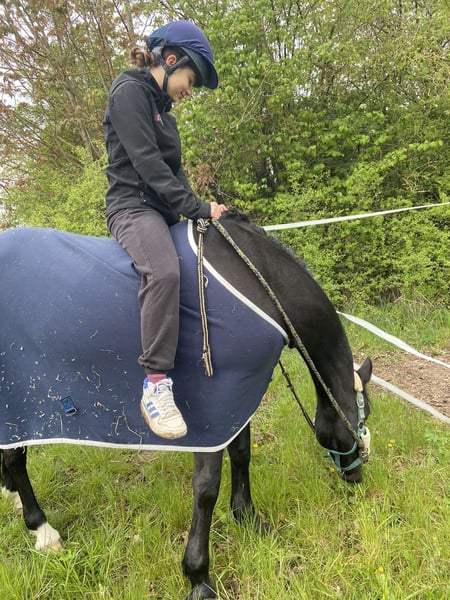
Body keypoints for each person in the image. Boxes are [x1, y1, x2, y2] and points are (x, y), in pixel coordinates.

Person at [103, 20, 227, 439]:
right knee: (165, 272)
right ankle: (155, 385)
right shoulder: (128, 92)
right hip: (132, 209)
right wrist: (195, 208)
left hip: (164, 213)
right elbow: (149, 167)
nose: (190, 90)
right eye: (191, 80)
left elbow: (176, 176)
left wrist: (206, 211)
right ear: (171, 60)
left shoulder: (166, 119)